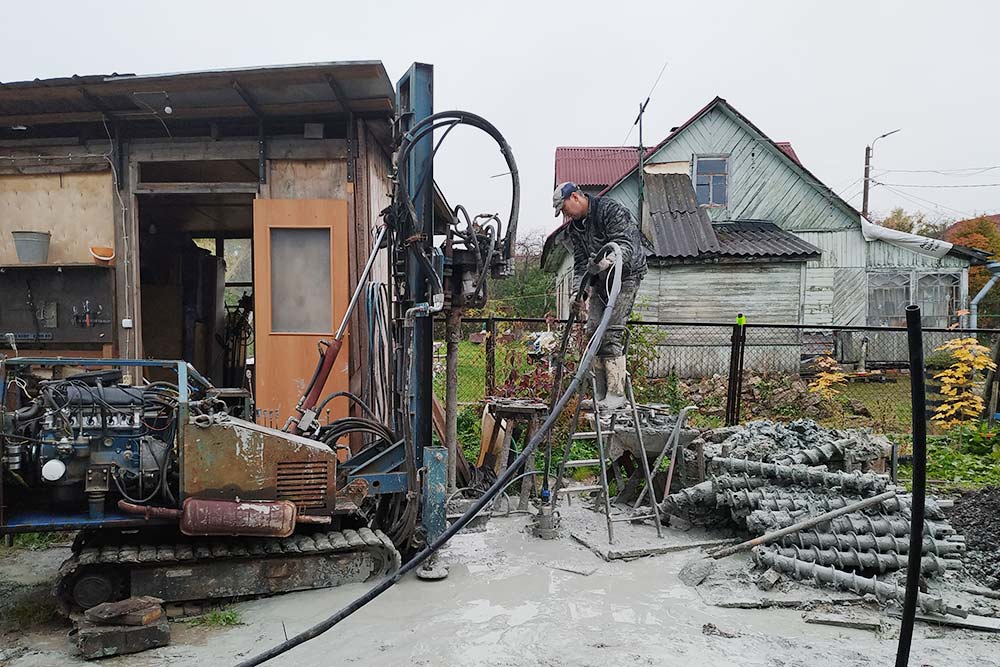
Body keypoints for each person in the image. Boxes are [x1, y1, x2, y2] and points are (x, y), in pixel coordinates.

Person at [552, 181, 647, 410]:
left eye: (564, 209)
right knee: (593, 332)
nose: (565, 216)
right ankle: (600, 394)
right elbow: (581, 264)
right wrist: (579, 292)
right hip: (600, 281)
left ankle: (615, 394)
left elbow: (626, 244)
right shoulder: (575, 228)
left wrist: (608, 261)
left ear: (575, 197)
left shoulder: (609, 210)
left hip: (625, 277)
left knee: (611, 332)